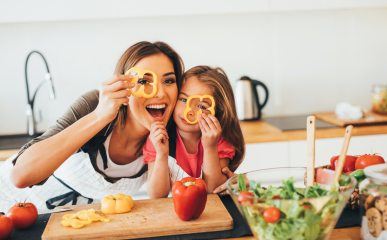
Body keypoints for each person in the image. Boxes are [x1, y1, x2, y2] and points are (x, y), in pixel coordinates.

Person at [0, 41, 184, 212]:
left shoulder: (165, 138)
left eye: (169, 81)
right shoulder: (95, 105)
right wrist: (100, 116)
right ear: (125, 86)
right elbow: (20, 176)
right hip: (8, 204)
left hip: (61, 226)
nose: (160, 93)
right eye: (144, 81)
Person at [143, 66, 245, 198]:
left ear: (218, 112)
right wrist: (162, 154)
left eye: (201, 106)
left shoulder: (219, 140)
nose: (188, 111)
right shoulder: (158, 137)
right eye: (184, 100)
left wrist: (210, 147)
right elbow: (156, 195)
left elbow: (214, 189)